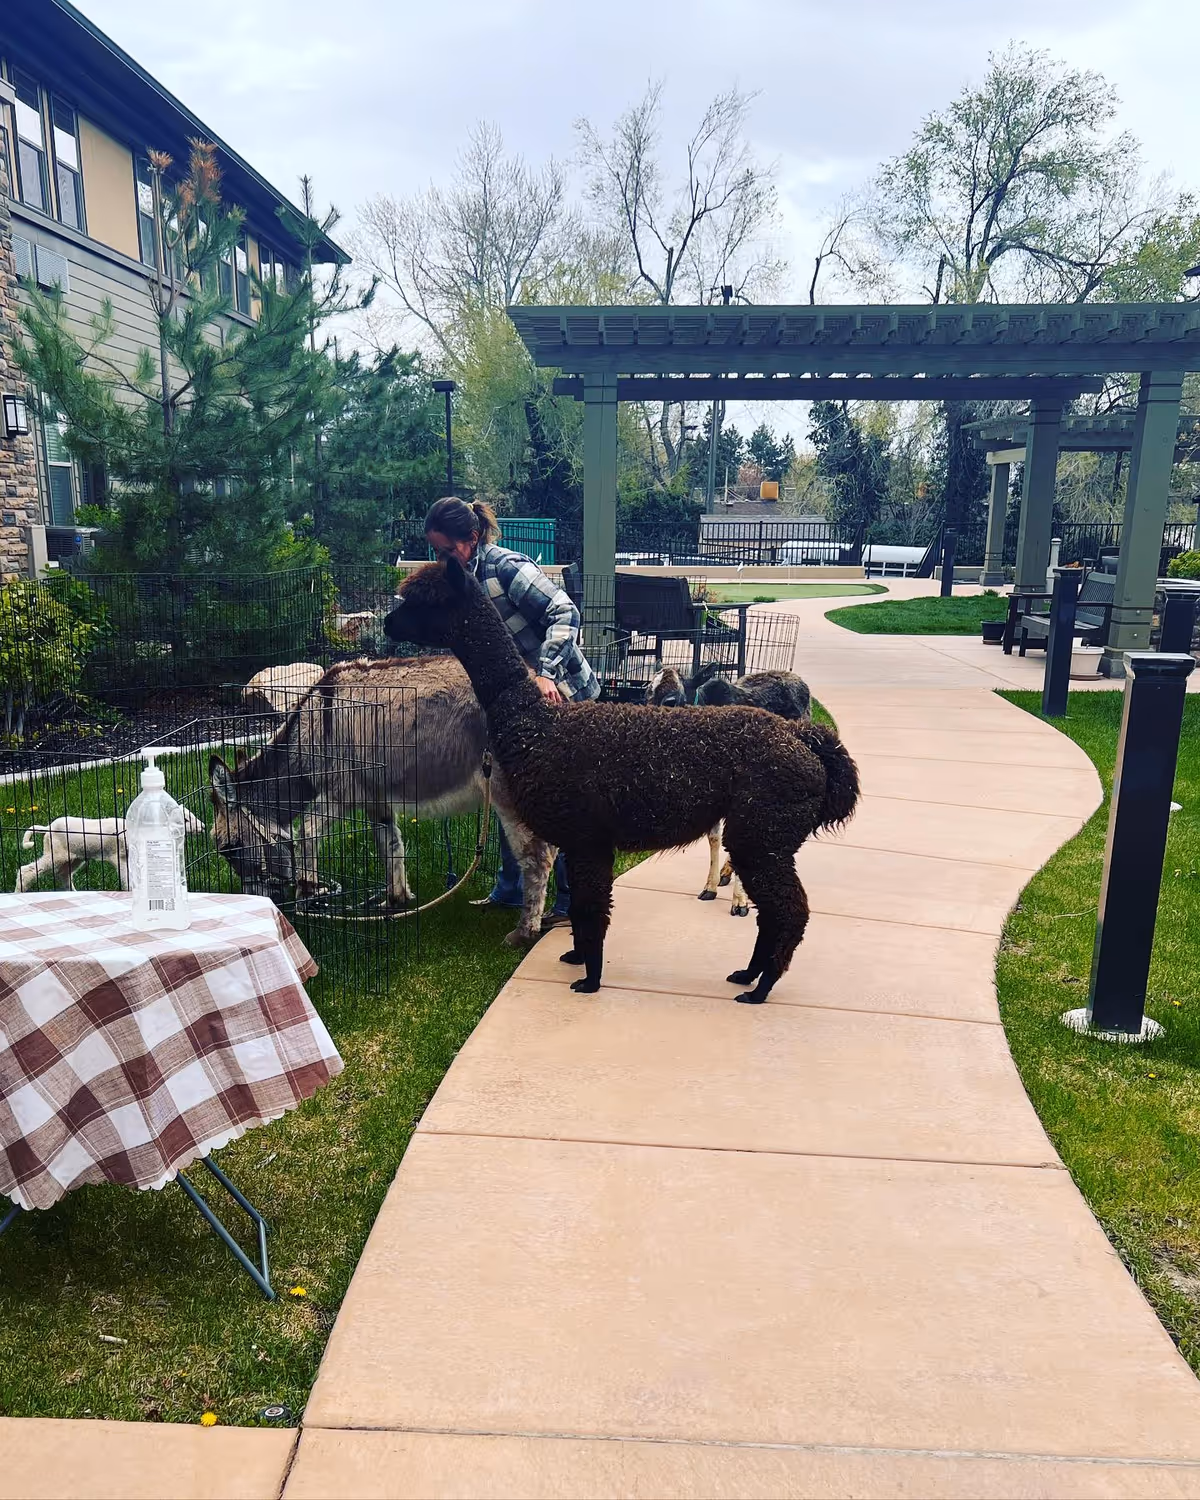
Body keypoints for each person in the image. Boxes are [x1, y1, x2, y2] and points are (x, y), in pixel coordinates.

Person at [423, 496, 599, 922]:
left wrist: (547, 673)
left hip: (563, 695)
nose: (443, 558)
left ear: (473, 537)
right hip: (514, 705)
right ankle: (511, 890)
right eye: (436, 552)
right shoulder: (461, 580)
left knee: (559, 800)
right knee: (507, 790)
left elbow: (565, 611)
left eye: (449, 550)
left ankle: (570, 900)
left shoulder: (505, 567)